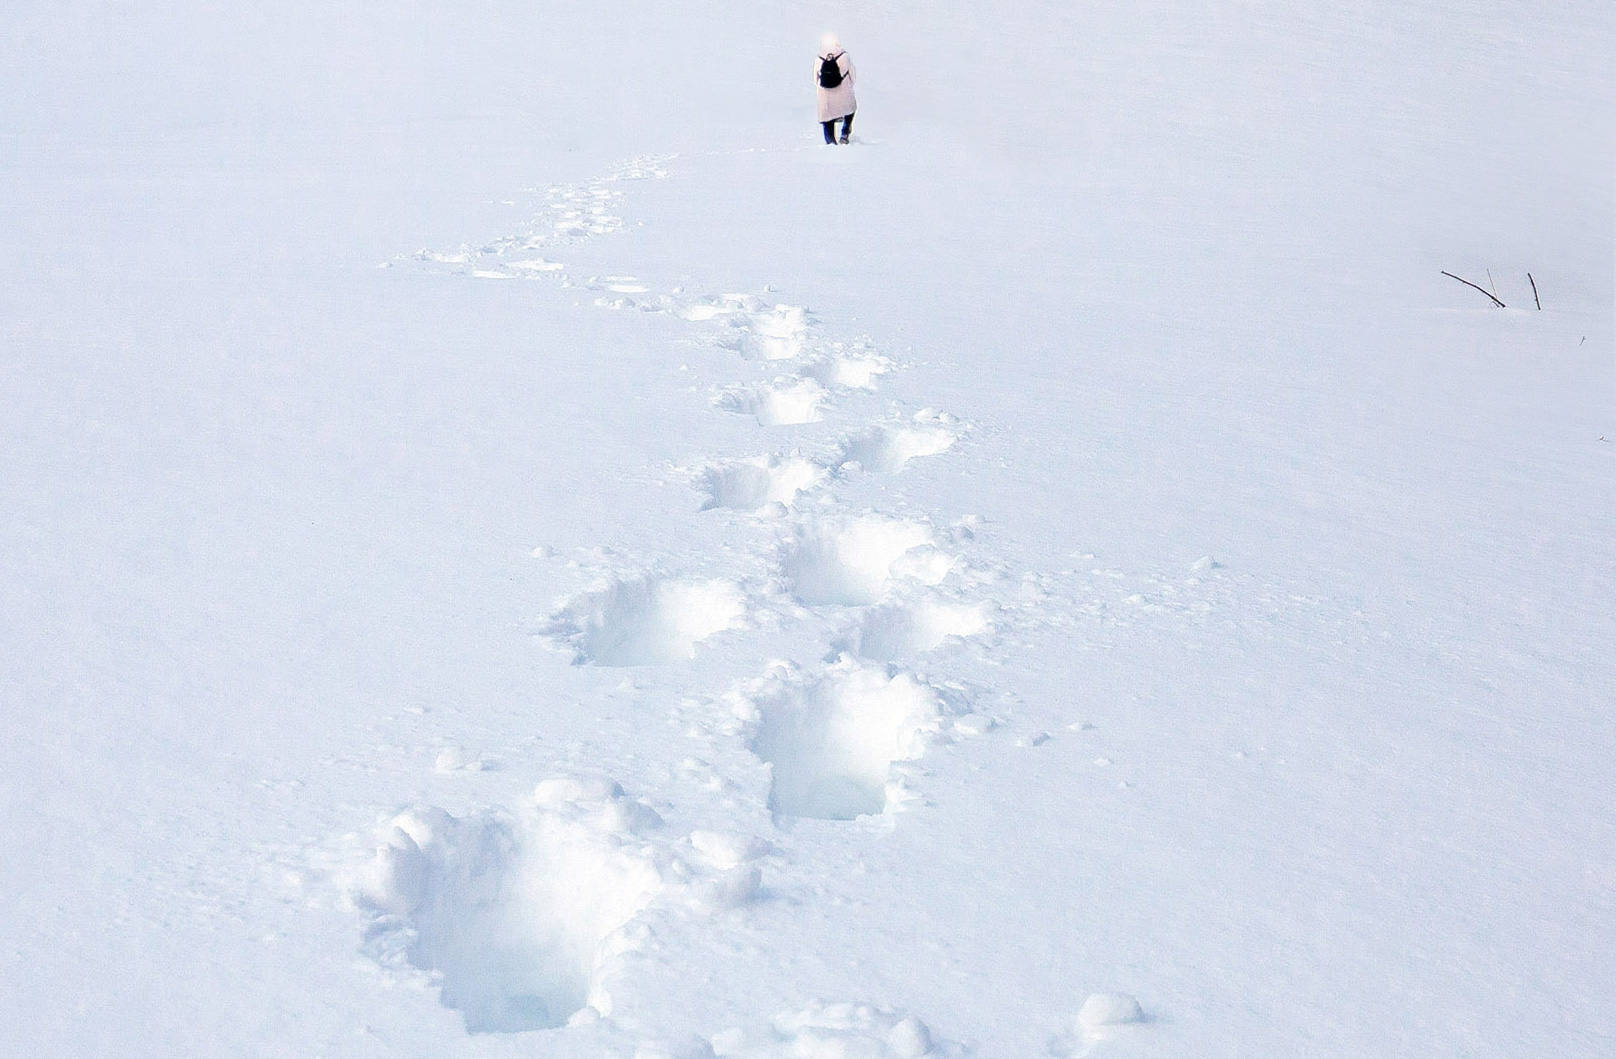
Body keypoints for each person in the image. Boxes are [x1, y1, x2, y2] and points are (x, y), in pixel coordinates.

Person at [816, 33, 856, 145]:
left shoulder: (819, 59)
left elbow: (815, 79)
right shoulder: (845, 57)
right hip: (844, 91)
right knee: (850, 109)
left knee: (827, 117)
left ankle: (830, 142)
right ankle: (845, 133)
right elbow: (852, 76)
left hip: (825, 95)